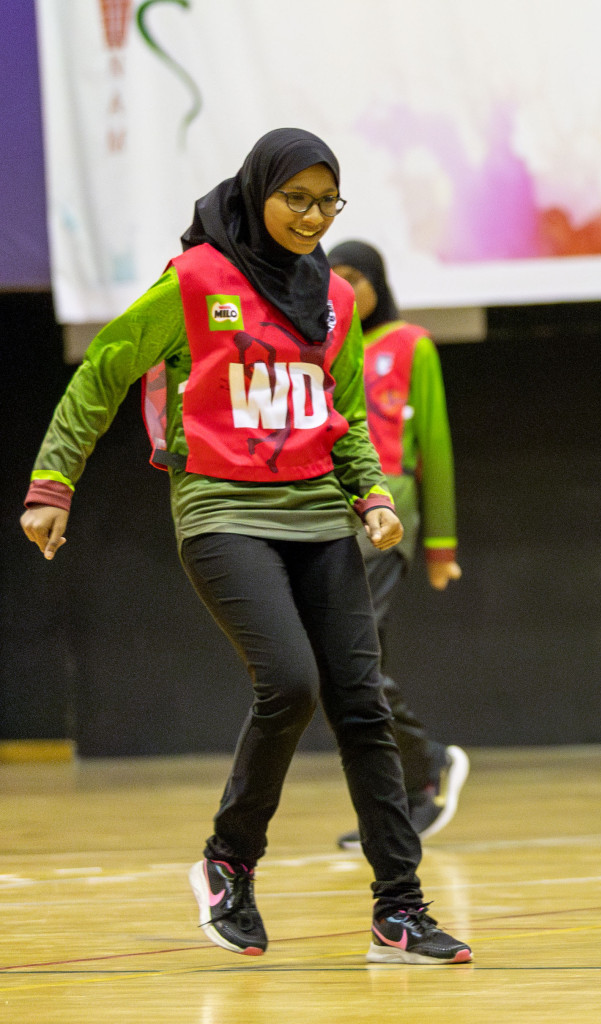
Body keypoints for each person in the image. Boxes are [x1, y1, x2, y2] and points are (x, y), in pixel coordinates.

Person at [19, 129, 471, 964]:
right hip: (223, 511)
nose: (310, 214)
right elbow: (104, 370)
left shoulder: (332, 297)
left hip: (318, 514)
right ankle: (229, 862)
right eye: (293, 197)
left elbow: (343, 416)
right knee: (291, 683)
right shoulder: (196, 281)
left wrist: (370, 496)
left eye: (325, 200)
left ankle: (399, 909)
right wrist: (53, 483)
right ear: (256, 191)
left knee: (362, 702)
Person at [326, 240, 469, 850]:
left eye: (355, 277)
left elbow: (433, 445)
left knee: (351, 662)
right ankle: (404, 797)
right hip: (329, 514)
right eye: (333, 278)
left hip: (388, 517)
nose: (345, 289)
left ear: (377, 282)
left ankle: (426, 766)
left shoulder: (412, 344)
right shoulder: (323, 348)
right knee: (351, 670)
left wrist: (439, 546)